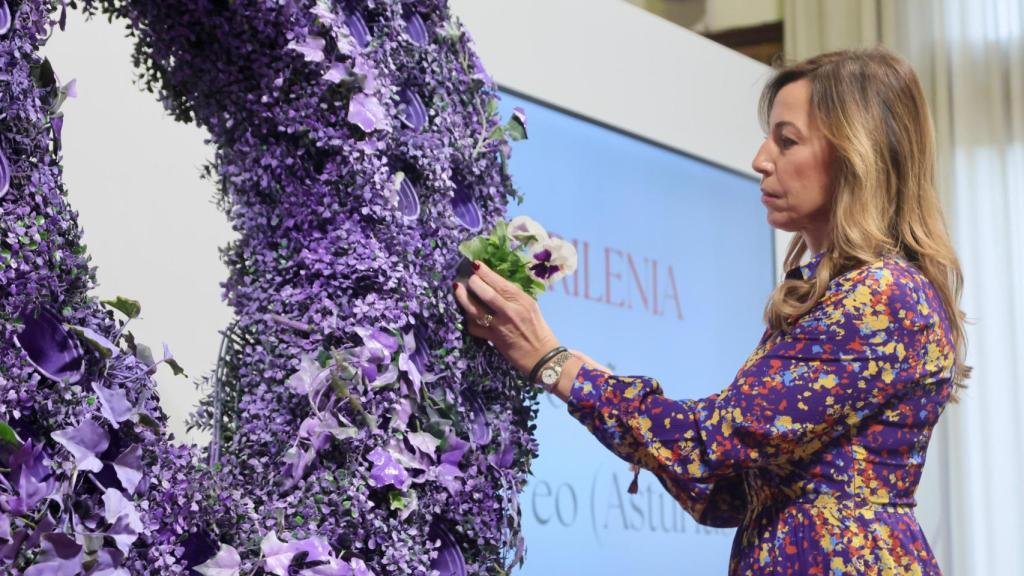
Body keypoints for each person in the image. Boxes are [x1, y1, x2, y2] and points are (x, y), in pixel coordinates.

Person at [452, 47, 969, 575]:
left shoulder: (882, 297)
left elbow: (710, 443)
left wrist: (556, 364)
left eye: (787, 140)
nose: (761, 159)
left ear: (857, 155)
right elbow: (727, 494)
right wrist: (592, 387)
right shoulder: (850, 291)